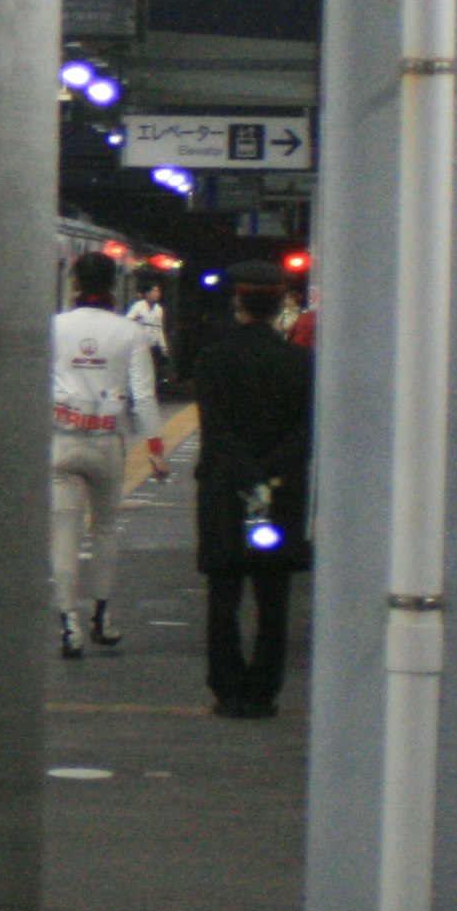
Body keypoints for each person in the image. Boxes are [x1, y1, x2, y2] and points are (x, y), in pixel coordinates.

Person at [191, 261, 313, 717]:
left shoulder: (211, 358)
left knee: (223, 595)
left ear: (237, 302)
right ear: (282, 303)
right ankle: (263, 692)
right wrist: (268, 474)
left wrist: (244, 475)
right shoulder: (301, 362)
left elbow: (215, 428)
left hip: (225, 489)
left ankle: (226, 688)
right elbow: (304, 431)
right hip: (280, 493)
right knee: (273, 597)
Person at [50, 251, 164, 660]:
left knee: (64, 531)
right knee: (104, 529)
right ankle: (101, 617)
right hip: (106, 444)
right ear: (115, 286)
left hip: (61, 442)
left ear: (75, 283)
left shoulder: (55, 327)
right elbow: (144, 396)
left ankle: (68, 624)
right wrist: (156, 449)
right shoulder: (129, 332)